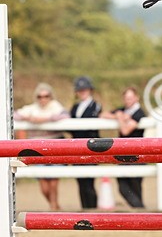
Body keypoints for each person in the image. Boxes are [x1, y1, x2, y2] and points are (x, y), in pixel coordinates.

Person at [15, 83, 67, 211]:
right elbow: (15, 115)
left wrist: (45, 119)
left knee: (53, 181)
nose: (43, 99)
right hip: (37, 149)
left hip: (54, 147)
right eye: (40, 96)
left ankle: (53, 206)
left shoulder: (55, 106)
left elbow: (65, 115)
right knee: (43, 184)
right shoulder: (32, 108)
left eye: (46, 96)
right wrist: (27, 118)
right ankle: (54, 205)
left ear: (50, 96)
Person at [68, 76, 103, 210]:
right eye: (80, 90)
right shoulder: (75, 107)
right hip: (76, 149)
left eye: (85, 89)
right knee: (80, 182)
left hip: (90, 148)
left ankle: (92, 209)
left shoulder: (95, 105)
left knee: (89, 182)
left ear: (90, 90)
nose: (82, 92)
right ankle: (84, 208)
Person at [112, 86, 146, 209]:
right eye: (126, 98)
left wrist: (120, 118)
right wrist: (119, 115)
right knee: (123, 186)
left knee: (135, 186)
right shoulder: (123, 110)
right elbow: (103, 114)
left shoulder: (139, 113)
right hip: (124, 155)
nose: (128, 100)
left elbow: (125, 131)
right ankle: (141, 210)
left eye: (130, 98)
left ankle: (141, 211)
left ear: (137, 98)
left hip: (137, 155)